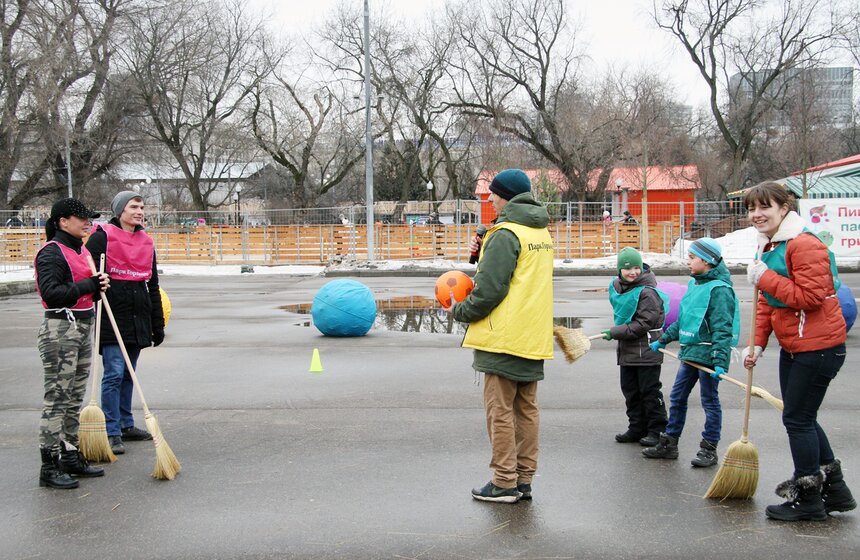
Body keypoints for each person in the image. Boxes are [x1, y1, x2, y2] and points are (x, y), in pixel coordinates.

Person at [743, 181, 855, 521]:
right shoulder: (770, 245)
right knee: (802, 417)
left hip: (819, 348)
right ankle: (835, 490)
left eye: (765, 207)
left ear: (784, 208)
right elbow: (768, 305)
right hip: (795, 346)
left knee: (797, 419)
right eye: (751, 208)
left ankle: (808, 500)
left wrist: (765, 278)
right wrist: (758, 343)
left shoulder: (804, 244)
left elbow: (811, 297)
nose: (757, 214)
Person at [449, 168, 554, 504]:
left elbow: (490, 289)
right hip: (531, 336)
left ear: (505, 194)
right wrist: (483, 254)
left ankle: (504, 481)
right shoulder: (539, 232)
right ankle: (523, 479)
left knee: (500, 412)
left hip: (504, 338)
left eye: (493, 193)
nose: (490, 199)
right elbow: (519, 278)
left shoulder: (505, 233)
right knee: (527, 411)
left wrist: (460, 311)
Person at [35, 198, 110, 488]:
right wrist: (88, 286)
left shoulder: (80, 251)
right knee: (57, 398)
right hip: (60, 330)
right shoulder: (52, 252)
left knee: (73, 397)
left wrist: (97, 288)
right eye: (81, 219)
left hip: (82, 325)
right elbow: (52, 293)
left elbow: (82, 289)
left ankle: (70, 454)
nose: (87, 223)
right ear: (63, 222)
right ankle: (48, 464)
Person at [646, 237, 739, 468]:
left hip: (708, 357)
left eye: (692, 257)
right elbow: (684, 320)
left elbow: (722, 327)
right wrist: (664, 340)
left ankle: (709, 448)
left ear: (707, 261)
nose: (688, 262)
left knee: (709, 401)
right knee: (677, 398)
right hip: (689, 354)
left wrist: (720, 360)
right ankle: (670, 443)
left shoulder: (720, 290)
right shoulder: (694, 284)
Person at [86, 191, 165, 455]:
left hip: (138, 311)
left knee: (129, 373)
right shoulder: (102, 238)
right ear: (120, 210)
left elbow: (152, 284)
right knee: (114, 373)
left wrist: (158, 322)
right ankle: (111, 429)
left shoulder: (146, 241)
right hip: (113, 311)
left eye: (141, 207)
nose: (139, 211)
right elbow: (87, 273)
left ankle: (126, 423)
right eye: (133, 207)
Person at [602, 247, 669, 448]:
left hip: (647, 349)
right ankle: (636, 427)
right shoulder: (619, 288)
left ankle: (657, 430)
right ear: (619, 270)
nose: (633, 272)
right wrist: (619, 333)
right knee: (630, 391)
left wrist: (615, 332)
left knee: (649, 391)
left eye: (636, 268)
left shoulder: (648, 292)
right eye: (627, 268)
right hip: (628, 350)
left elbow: (643, 324)